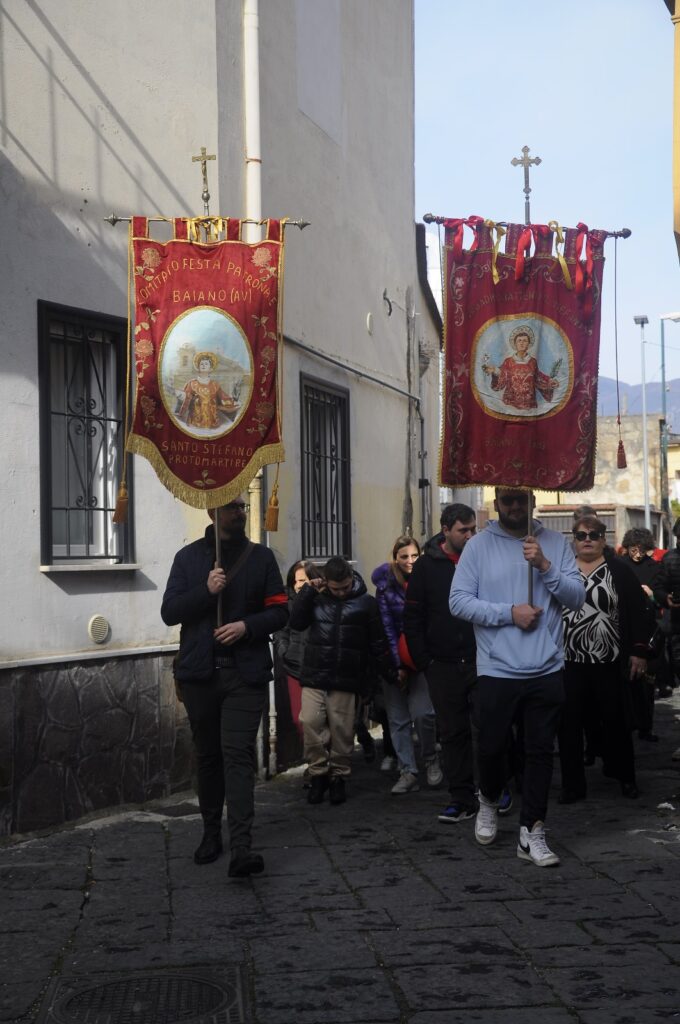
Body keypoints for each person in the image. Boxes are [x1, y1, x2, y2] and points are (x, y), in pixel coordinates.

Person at [450, 487, 584, 868]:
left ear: (532, 502)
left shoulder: (554, 543)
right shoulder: (478, 547)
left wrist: (545, 566)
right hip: (496, 668)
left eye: (520, 500)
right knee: (492, 748)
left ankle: (532, 831)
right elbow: (458, 601)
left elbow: (576, 598)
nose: (514, 507)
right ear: (496, 502)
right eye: (507, 500)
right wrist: (510, 613)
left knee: (540, 753)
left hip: (546, 667)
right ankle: (489, 798)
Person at [161, 497, 288, 877]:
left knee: (238, 755)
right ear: (212, 512)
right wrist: (206, 591)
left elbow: (281, 611)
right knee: (208, 756)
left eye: (242, 506)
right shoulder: (187, 559)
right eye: (231, 507)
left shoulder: (261, 558)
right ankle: (210, 833)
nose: (240, 512)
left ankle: (242, 846)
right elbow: (170, 611)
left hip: (243, 675)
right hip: (200, 674)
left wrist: (247, 627)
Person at [289, 556, 393, 806]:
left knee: (342, 731)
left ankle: (339, 778)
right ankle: (318, 774)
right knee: (311, 723)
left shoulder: (366, 604)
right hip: (315, 673)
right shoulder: (316, 597)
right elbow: (297, 622)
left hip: (347, 677)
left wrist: (388, 671)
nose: (341, 592)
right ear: (326, 582)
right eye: (336, 589)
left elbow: (378, 641)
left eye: (345, 587)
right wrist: (307, 593)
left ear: (351, 578)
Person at [559, 517, 649, 803]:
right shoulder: (562, 572)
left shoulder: (619, 572)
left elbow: (639, 613)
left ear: (603, 539)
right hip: (569, 661)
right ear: (573, 538)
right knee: (569, 726)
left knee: (617, 722)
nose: (587, 539)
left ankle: (625, 777)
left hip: (609, 661)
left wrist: (638, 652)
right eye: (581, 535)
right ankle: (573, 786)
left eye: (594, 535)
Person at [403, 504, 482, 822]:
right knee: (452, 733)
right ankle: (460, 796)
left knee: (489, 728)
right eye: (464, 530)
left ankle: (493, 789)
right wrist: (426, 661)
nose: (471, 535)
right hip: (443, 664)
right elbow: (413, 616)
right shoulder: (426, 566)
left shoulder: (480, 559)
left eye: (473, 529)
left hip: (481, 659)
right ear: (446, 530)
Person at [371, 536, 442, 794]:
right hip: (394, 659)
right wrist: (397, 665)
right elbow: (387, 626)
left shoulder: (427, 579)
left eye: (414, 555)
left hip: (422, 657)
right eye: (404, 556)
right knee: (398, 718)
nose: (410, 561)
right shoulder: (385, 585)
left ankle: (430, 759)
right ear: (395, 558)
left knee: (424, 714)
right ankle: (407, 770)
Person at [482, 325, 558, 411]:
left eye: (525, 341)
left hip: (529, 403)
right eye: (519, 341)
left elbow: (538, 376)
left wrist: (549, 381)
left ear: (528, 344)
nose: (522, 343)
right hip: (511, 403)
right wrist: (494, 371)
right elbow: (502, 374)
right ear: (515, 344)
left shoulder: (533, 361)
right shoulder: (508, 361)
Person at [177, 351, 239, 430]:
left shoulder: (215, 385)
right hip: (195, 421)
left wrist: (233, 403)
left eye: (206, 364)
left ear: (210, 368)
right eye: (201, 364)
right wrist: (181, 414)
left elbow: (224, 398)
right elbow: (186, 401)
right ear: (198, 367)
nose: (203, 366)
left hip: (212, 421)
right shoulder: (192, 384)